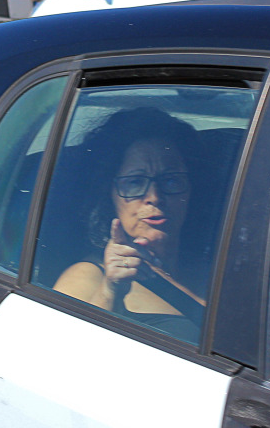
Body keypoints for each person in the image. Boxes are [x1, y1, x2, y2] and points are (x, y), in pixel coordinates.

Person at [53, 107, 207, 341]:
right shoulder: (86, 278)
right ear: (109, 194)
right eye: (135, 182)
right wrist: (110, 293)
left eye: (171, 180)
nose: (155, 196)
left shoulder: (214, 266)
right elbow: (57, 358)